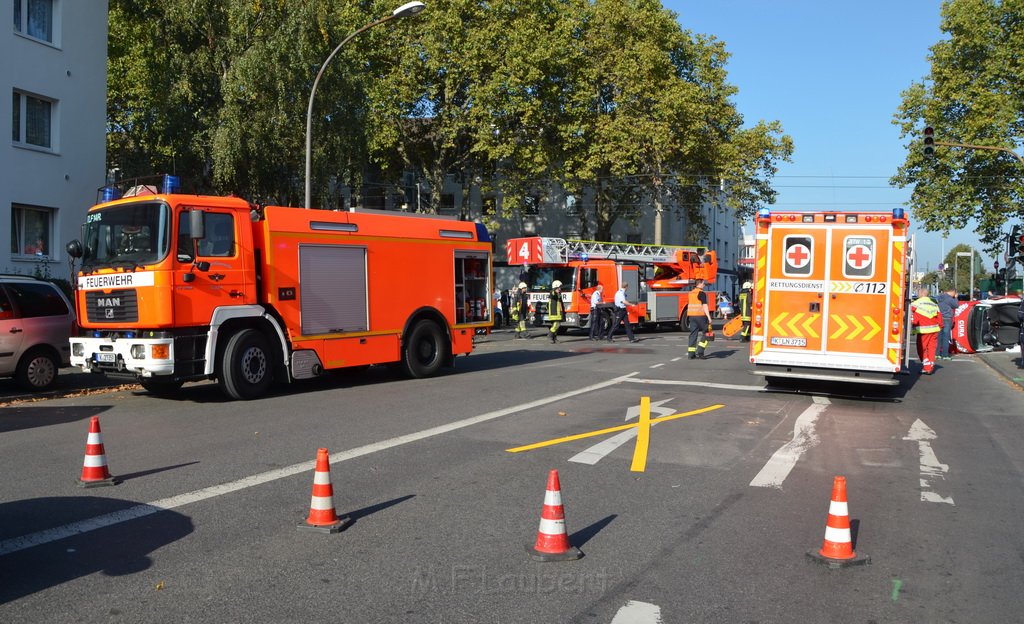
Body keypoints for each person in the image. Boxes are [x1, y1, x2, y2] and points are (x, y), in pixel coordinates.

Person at [911, 286, 941, 374]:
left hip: (923, 330)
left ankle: (927, 367)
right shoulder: (934, 304)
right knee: (931, 348)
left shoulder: (916, 303)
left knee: (922, 349)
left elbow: (913, 317)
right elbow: (940, 318)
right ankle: (931, 365)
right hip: (934, 330)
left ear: (921, 294)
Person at [687, 278, 713, 359]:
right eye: (703, 283)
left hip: (691, 316)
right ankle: (700, 352)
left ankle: (691, 354)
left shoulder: (690, 293)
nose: (704, 285)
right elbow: (704, 306)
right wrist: (709, 317)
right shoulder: (701, 293)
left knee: (693, 334)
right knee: (707, 332)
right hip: (700, 316)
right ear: (700, 284)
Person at [935, 286, 958, 360]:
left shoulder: (938, 297)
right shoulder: (949, 299)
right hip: (947, 319)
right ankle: (945, 355)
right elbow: (956, 305)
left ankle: (937, 354)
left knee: (938, 337)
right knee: (946, 337)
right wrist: (956, 298)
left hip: (939, 318)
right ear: (953, 292)